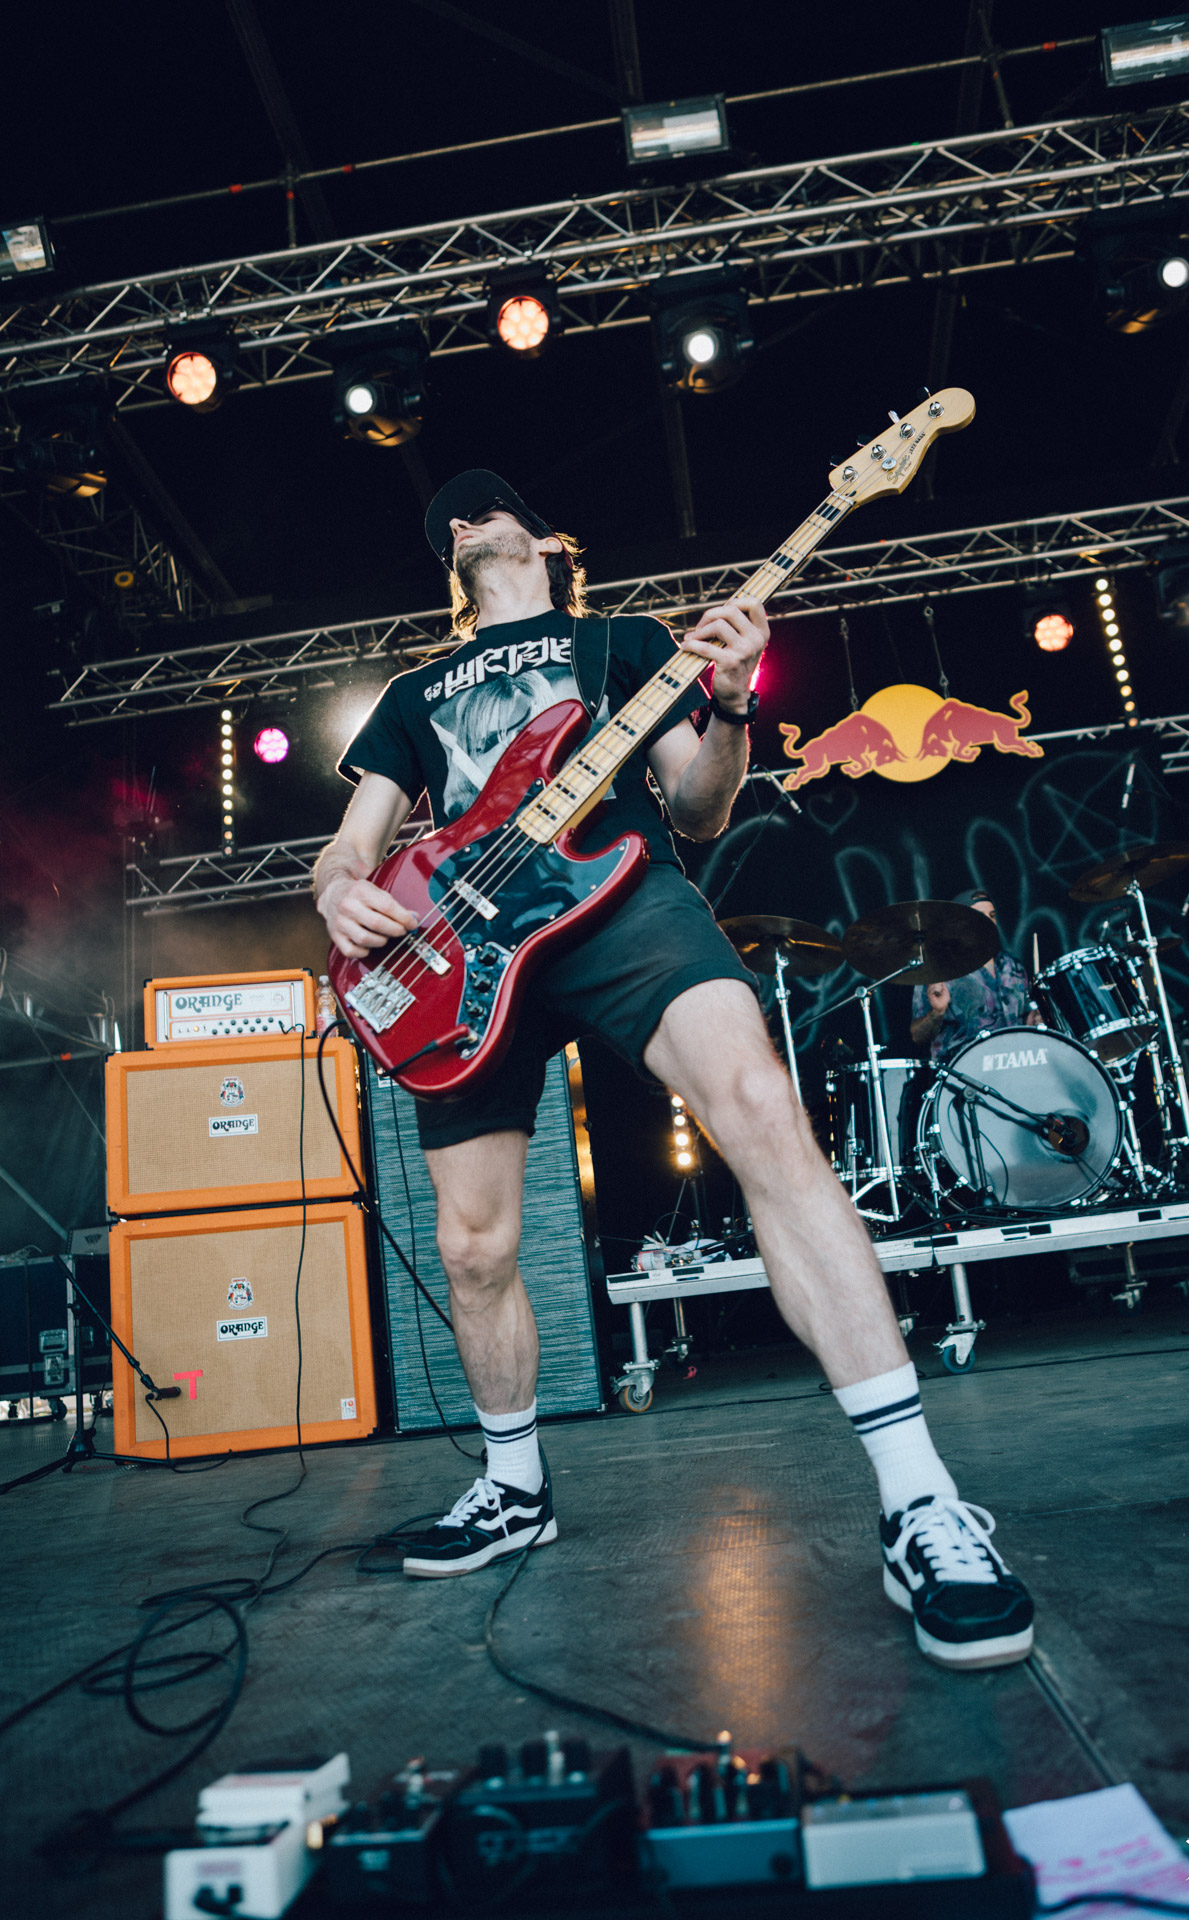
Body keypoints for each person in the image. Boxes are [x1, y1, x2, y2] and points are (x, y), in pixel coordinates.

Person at [314, 468, 1034, 1672]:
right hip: (459, 946)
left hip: (617, 899)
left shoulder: (623, 645)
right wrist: (340, 889)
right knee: (472, 1246)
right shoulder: (411, 693)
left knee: (759, 1111)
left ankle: (919, 1500)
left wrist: (735, 700)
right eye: (448, 521)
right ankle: (511, 1486)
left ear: (546, 538)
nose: (462, 520)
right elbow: (350, 844)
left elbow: (698, 812)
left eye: (485, 504)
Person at [910, 891, 1044, 1060]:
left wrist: (1032, 1021)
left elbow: (1023, 1020)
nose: (989, 922)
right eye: (981, 916)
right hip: (962, 1069)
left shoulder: (1013, 965)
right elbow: (918, 1036)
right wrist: (938, 1012)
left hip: (1013, 1062)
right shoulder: (939, 970)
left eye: (992, 915)